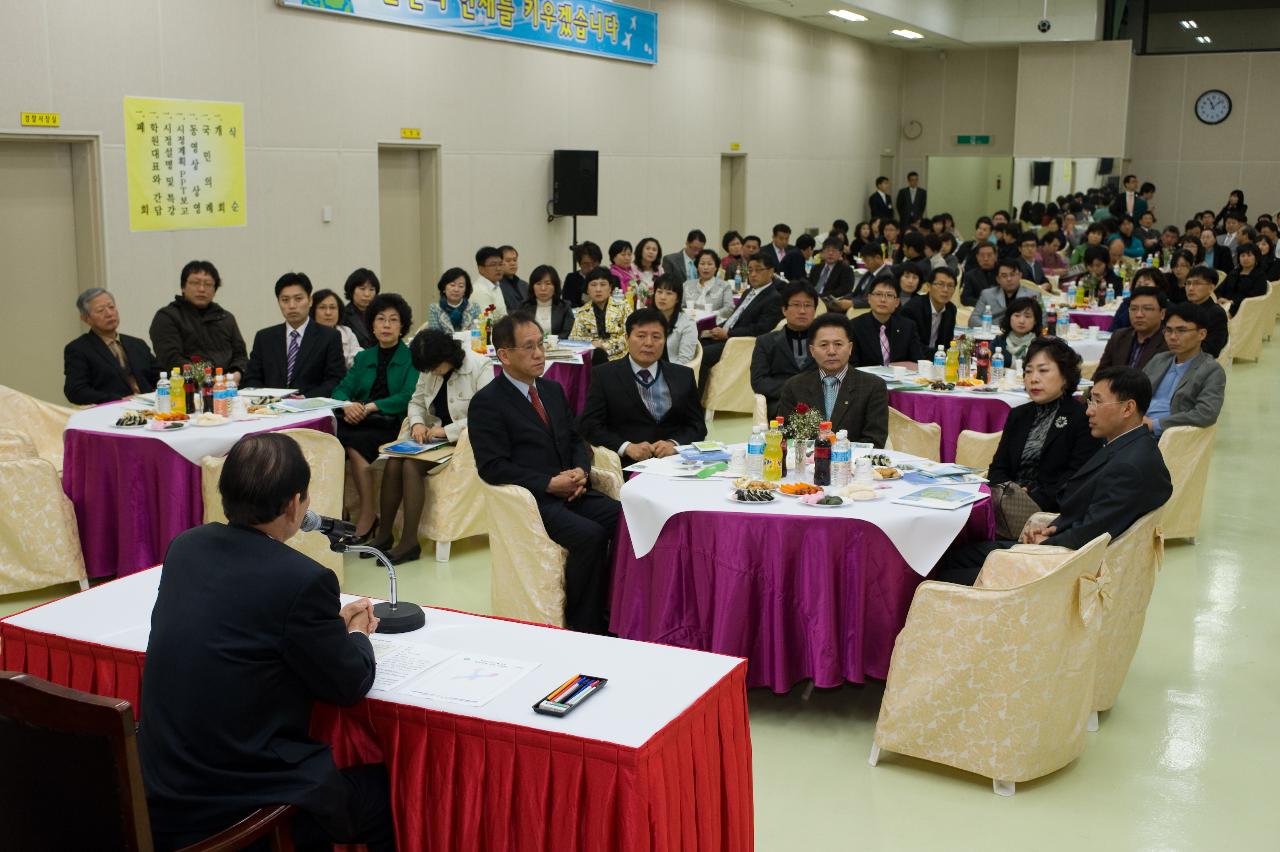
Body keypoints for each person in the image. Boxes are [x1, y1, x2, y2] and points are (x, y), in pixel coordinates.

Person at [138, 433, 392, 852]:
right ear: (294, 505)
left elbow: (249, 623)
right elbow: (348, 684)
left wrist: (323, 627)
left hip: (161, 786)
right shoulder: (303, 580)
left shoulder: (187, 547)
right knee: (385, 795)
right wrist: (356, 635)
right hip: (238, 801)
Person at [934, 366, 1173, 585]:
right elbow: (1098, 517)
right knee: (957, 554)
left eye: (1097, 402)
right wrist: (1053, 528)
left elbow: (1091, 536)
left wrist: (1046, 544)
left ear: (1128, 408)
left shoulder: (1129, 467)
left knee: (941, 573)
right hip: (1062, 546)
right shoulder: (1132, 447)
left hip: (1059, 570)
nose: (1088, 411)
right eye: (1090, 400)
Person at [469, 312, 620, 633]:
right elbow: (492, 467)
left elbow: (576, 437)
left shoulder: (551, 390)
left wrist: (581, 470)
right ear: (505, 355)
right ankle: (585, 625)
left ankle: (615, 607)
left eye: (541, 344)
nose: (539, 354)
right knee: (589, 536)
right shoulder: (487, 403)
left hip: (573, 489)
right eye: (529, 347)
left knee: (625, 518)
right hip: (534, 502)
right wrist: (549, 484)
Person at [371, 329, 494, 565]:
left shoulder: (480, 365)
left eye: (435, 367)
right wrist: (417, 424)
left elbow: (488, 415)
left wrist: (447, 431)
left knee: (410, 466)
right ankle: (384, 535)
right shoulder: (429, 368)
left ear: (448, 355)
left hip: (464, 444)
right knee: (394, 462)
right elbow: (416, 401)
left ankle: (409, 542)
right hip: (431, 439)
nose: (432, 373)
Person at [985, 337, 1100, 538]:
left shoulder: (1081, 417)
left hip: (1050, 517)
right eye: (1028, 371)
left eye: (1043, 370)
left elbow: (1076, 479)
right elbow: (998, 468)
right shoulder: (1018, 414)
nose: (1033, 378)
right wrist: (1008, 494)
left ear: (1065, 376)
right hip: (1008, 504)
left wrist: (1029, 498)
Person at [332, 293, 420, 541]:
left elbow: (408, 395)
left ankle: (367, 515)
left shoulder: (411, 358)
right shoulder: (363, 357)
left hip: (391, 423)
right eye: (381, 319)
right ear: (372, 324)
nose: (386, 325)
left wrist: (370, 407)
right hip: (357, 419)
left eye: (393, 320)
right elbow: (340, 389)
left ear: (402, 325)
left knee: (355, 442)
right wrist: (348, 405)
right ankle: (339, 510)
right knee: (334, 436)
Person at [578, 307, 706, 462]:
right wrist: (626, 447)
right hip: (627, 464)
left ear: (665, 340)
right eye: (641, 336)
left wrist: (674, 444)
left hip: (675, 462)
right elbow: (590, 426)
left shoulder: (683, 375)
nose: (649, 343)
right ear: (627, 338)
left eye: (656, 337)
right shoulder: (604, 375)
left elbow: (697, 426)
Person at [777, 313, 888, 446]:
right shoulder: (795, 386)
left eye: (838, 344)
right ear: (812, 350)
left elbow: (875, 440)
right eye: (823, 345)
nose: (831, 351)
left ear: (850, 348)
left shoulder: (873, 386)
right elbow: (785, 437)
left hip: (854, 463)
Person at [243, 272, 346, 397]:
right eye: (285, 300)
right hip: (270, 410)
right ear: (278, 302)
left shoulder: (329, 337)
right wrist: (266, 399)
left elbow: (335, 380)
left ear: (310, 300)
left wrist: (306, 398)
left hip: (311, 408)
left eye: (298, 299)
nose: (292, 306)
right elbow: (252, 378)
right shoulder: (264, 337)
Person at [149, 260, 249, 380]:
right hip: (185, 388)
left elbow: (241, 355)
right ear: (183, 287)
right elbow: (171, 359)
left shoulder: (226, 318)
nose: (201, 289)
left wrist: (237, 373)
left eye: (208, 284)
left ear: (215, 290)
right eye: (195, 283)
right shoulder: (167, 316)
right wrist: (206, 378)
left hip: (228, 386)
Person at [1142, 302, 1227, 438]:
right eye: (1168, 330)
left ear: (1201, 334)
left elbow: (1205, 414)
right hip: (1135, 426)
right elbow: (1133, 390)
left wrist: (1154, 425)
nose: (1173, 337)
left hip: (1166, 437)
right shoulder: (1160, 360)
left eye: (1181, 331)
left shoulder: (1211, 370)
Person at [697, 252, 783, 386]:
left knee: (702, 355)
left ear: (771, 271)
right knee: (693, 344)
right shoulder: (749, 291)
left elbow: (761, 329)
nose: (753, 274)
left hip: (739, 344)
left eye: (758, 270)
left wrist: (728, 333)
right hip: (726, 336)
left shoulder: (774, 298)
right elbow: (735, 317)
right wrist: (719, 327)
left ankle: (696, 402)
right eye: (750, 270)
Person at [64, 288, 158, 405]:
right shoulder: (78, 349)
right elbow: (75, 391)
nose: (109, 313)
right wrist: (115, 400)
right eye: (100, 310)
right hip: (111, 413)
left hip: (150, 410)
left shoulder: (137, 344)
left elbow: (160, 376)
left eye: (111, 307)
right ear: (86, 319)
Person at [751, 281, 819, 420]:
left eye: (807, 305)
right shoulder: (766, 342)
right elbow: (759, 381)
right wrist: (795, 390)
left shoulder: (825, 342)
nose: (802, 311)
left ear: (815, 310)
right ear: (784, 310)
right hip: (781, 402)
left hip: (820, 399)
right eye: (796, 305)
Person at [851, 276, 926, 367]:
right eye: (878, 294)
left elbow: (918, 362)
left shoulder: (908, 327)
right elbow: (852, 365)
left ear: (897, 302)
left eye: (889, 295)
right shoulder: (854, 326)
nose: (883, 300)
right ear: (869, 299)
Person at [1096, 286, 1168, 371]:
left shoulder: (1168, 342)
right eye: (1133, 309)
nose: (1139, 315)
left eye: (1147, 309)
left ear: (1162, 313)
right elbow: (1101, 374)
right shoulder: (1119, 336)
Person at [569, 268, 630, 364]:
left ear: (610, 288)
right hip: (593, 361)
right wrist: (592, 344)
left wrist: (604, 345)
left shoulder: (623, 307)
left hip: (621, 359)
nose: (598, 289)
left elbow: (630, 336)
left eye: (603, 284)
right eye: (593, 285)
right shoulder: (582, 312)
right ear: (587, 290)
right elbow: (574, 340)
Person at [969, 258, 1041, 328]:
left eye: (1012, 275)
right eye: (1004, 276)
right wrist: (994, 328)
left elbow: (1041, 322)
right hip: (993, 334)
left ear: (1020, 276)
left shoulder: (1033, 295)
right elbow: (973, 320)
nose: (1009, 279)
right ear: (998, 279)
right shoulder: (987, 294)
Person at [902, 267, 958, 354]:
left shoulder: (951, 309)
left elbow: (947, 343)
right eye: (940, 284)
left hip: (938, 360)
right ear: (928, 286)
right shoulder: (912, 309)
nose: (945, 290)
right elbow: (912, 346)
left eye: (950, 286)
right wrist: (941, 354)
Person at [1182, 264, 1230, 358]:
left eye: (1197, 283)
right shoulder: (1183, 308)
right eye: (1188, 283)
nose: (1190, 288)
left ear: (1211, 288)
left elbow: (1212, 350)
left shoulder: (1216, 314)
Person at [651, 275, 698, 365]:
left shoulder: (687, 323)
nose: (662, 297)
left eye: (669, 293)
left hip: (672, 371)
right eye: (659, 292)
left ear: (678, 298)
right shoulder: (646, 318)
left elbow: (685, 360)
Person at [311, 289, 363, 369]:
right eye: (322, 307)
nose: (328, 313)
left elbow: (357, 359)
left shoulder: (346, 332)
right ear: (313, 311)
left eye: (332, 307)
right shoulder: (306, 333)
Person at [424, 267, 484, 333]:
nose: (456, 289)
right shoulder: (435, 309)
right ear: (444, 288)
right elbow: (434, 335)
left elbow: (478, 332)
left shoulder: (474, 308)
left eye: (461, 286)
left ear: (465, 290)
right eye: (452, 285)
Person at [522, 264, 574, 338]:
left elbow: (567, 333)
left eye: (548, 284)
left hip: (558, 347)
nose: (543, 288)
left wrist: (550, 342)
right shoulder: (524, 307)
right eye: (538, 284)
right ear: (532, 287)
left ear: (555, 287)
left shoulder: (564, 307)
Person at [1217, 242, 1269, 317]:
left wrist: (1232, 302)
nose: (1245, 258)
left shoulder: (1260, 276)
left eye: (1249, 255)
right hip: (1223, 305)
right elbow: (1219, 289)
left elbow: (1255, 297)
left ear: (1256, 257)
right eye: (1242, 255)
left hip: (1243, 309)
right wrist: (1220, 298)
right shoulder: (1233, 273)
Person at [990, 296, 1042, 364]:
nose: (1021, 321)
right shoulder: (998, 342)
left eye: (1027, 316)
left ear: (1035, 320)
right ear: (1009, 318)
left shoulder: (1041, 345)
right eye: (1017, 315)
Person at [809, 236, 856, 311]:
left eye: (834, 251)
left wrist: (820, 297)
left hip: (831, 305)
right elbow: (809, 285)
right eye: (827, 250)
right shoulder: (816, 268)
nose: (830, 253)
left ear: (840, 253)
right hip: (811, 301)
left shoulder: (846, 270)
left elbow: (844, 290)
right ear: (823, 252)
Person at [683, 248, 734, 316]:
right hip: (689, 322)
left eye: (710, 264)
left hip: (713, 323)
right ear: (697, 267)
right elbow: (680, 306)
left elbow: (729, 308)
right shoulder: (687, 285)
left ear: (716, 267)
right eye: (702, 264)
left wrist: (711, 315)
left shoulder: (724, 286)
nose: (706, 267)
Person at [341, 268, 380, 349]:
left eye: (372, 289)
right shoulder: (343, 316)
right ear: (352, 290)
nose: (367, 294)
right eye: (362, 289)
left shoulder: (380, 314)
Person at [850, 242, 894, 309]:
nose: (865, 264)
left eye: (867, 260)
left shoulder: (886, 276)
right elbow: (856, 293)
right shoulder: (869, 273)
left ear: (878, 258)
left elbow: (876, 299)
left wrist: (851, 303)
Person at [472, 246, 509, 318]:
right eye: (493, 265)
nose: (498, 268)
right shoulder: (479, 290)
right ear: (481, 269)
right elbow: (486, 322)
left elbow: (503, 315)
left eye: (500, 264)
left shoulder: (496, 285)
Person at [563, 241, 602, 308]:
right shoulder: (571, 279)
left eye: (594, 263)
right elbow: (568, 303)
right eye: (586, 264)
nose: (591, 267)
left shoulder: (608, 278)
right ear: (579, 263)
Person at [960, 241, 999, 306]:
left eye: (989, 255)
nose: (985, 259)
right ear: (977, 257)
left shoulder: (1004, 273)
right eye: (982, 255)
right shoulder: (970, 275)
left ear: (996, 256)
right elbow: (965, 298)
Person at [498, 244, 529, 311]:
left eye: (515, 260)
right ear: (499, 263)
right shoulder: (496, 286)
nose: (513, 263)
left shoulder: (525, 285)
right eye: (508, 261)